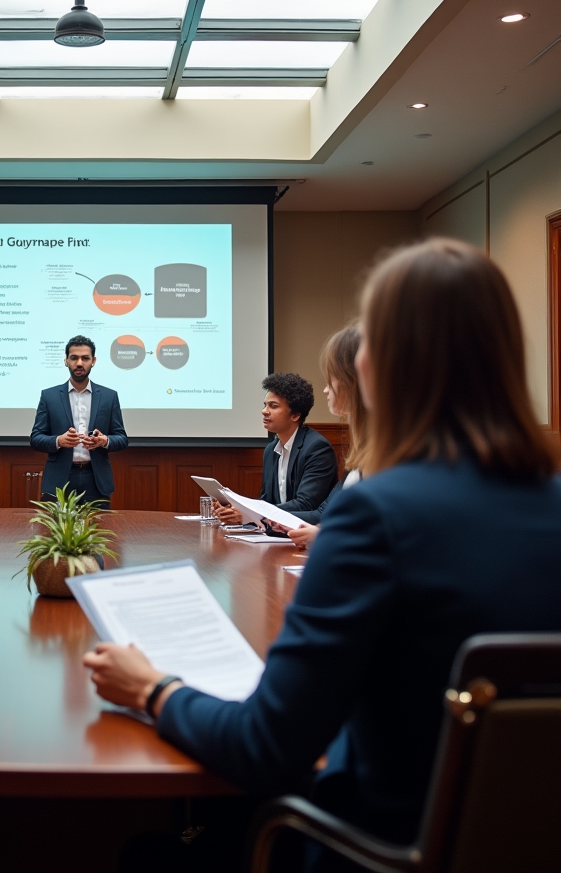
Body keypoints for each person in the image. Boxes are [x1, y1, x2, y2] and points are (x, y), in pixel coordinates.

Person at [83, 238, 561, 863]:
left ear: (375, 368)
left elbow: (265, 746)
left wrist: (151, 688)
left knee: (149, 853)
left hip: (374, 846)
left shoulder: (379, 516)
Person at [273, 324, 370, 551]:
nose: (325, 390)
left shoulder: (390, 458)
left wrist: (326, 535)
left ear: (354, 380)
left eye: (331, 379)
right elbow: (324, 513)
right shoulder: (361, 454)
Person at [213, 371, 337, 525]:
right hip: (277, 534)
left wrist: (250, 514)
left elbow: (306, 504)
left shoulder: (317, 448)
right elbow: (267, 502)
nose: (264, 411)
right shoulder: (271, 450)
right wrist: (238, 509)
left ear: (295, 415)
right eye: (265, 405)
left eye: (273, 406)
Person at [30, 335, 128, 508]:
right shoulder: (49, 396)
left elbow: (121, 438)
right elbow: (36, 438)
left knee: (98, 531)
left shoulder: (109, 396)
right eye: (74, 358)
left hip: (96, 479)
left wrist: (105, 441)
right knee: (58, 534)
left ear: (93, 361)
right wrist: (58, 441)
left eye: (85, 358)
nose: (79, 363)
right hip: (60, 479)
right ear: (66, 360)